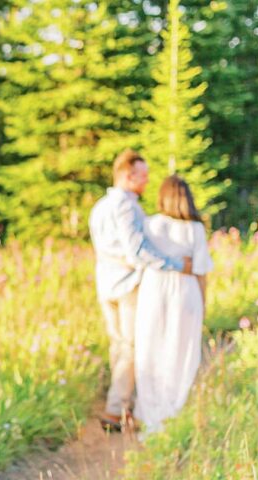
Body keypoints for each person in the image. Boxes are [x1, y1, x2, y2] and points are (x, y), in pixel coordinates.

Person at [88, 150, 192, 432]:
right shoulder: (126, 206)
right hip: (127, 285)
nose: (147, 181)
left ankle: (119, 403)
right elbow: (137, 251)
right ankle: (117, 410)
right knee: (133, 347)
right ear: (127, 174)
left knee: (119, 345)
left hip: (106, 284)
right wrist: (174, 265)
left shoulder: (100, 207)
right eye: (142, 175)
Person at [134, 175, 213, 434]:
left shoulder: (151, 224)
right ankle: (172, 409)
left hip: (154, 289)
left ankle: (150, 412)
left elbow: (140, 258)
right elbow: (200, 270)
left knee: (150, 349)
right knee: (180, 351)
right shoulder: (196, 229)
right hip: (184, 290)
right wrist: (203, 303)